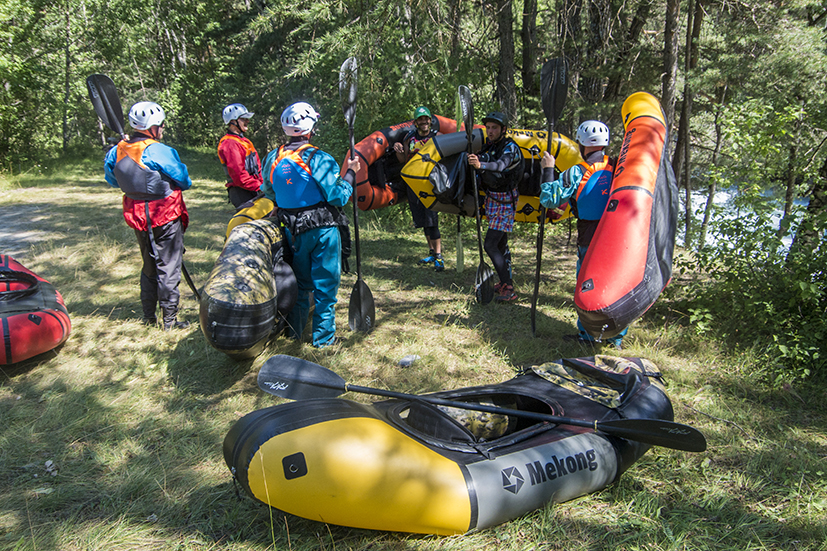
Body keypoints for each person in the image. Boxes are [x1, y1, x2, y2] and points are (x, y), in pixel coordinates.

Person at [261, 101, 360, 348]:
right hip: (322, 228)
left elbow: (269, 189)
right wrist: (350, 173)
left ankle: (294, 333)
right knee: (325, 286)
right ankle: (323, 339)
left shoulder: (272, 157)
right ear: (310, 128)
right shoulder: (320, 158)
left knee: (301, 284)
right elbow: (338, 196)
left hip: (292, 229)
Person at [104, 101, 193, 330]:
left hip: (138, 218)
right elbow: (183, 180)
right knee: (169, 266)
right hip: (165, 215)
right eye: (160, 125)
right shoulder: (159, 150)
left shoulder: (116, 151)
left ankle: (148, 317)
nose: (162, 129)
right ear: (152, 127)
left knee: (149, 265)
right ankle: (170, 321)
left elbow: (113, 179)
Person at [539, 119, 626, 349]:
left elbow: (549, 199)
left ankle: (588, 335)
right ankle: (615, 337)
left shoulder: (576, 172)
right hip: (617, 237)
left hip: (590, 238)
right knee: (615, 284)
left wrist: (548, 169)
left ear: (581, 144)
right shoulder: (619, 167)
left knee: (587, 285)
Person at [467, 111, 524, 302]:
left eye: (494, 128)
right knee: (500, 244)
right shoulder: (490, 146)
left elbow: (501, 166)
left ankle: (509, 289)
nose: (490, 131)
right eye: (488, 128)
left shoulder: (510, 148)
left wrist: (480, 164)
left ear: (503, 130)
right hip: (493, 199)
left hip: (505, 201)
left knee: (490, 244)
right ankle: (505, 281)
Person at [394, 106, 444, 271]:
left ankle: (439, 256)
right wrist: (398, 150)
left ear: (430, 120)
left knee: (432, 220)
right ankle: (431, 251)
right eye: (420, 119)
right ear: (416, 122)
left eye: (426, 119)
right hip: (413, 184)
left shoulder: (437, 137)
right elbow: (403, 160)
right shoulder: (410, 138)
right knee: (422, 220)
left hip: (430, 183)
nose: (424, 122)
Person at [218, 103, 263, 208]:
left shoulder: (244, 141)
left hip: (252, 188)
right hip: (241, 192)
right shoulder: (230, 144)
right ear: (233, 121)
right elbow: (239, 176)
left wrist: (262, 183)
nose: (247, 121)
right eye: (243, 119)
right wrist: (260, 186)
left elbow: (258, 167)